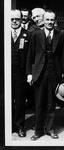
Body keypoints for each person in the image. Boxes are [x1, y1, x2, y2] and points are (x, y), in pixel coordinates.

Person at [26, 10, 64, 141]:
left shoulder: (60, 35)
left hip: (54, 73)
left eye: (51, 20)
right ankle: (38, 131)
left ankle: (50, 129)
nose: (49, 22)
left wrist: (63, 72)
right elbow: (30, 55)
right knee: (39, 103)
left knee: (51, 103)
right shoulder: (36, 34)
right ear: (43, 20)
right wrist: (29, 73)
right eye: (47, 20)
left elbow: (62, 56)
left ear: (55, 21)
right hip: (39, 73)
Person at [11, 9, 31, 137]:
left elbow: (30, 56)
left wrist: (28, 73)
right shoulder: (4, 33)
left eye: (17, 19)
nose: (14, 21)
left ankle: (19, 126)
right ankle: (8, 125)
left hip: (20, 73)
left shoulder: (28, 35)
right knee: (6, 100)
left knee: (19, 101)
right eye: (12, 19)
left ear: (21, 20)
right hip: (6, 73)